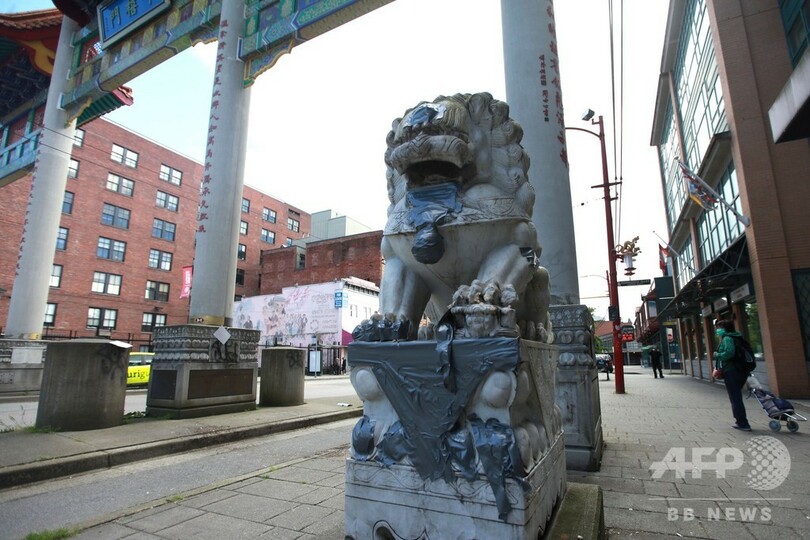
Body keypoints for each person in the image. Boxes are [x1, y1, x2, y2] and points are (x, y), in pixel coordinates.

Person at [713, 319, 752, 431]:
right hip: (740, 370)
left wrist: (717, 354)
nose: (717, 330)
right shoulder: (737, 337)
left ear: (724, 328)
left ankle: (742, 423)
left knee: (735, 397)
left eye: (719, 328)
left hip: (732, 371)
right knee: (736, 396)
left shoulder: (727, 339)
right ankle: (741, 421)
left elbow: (729, 353)